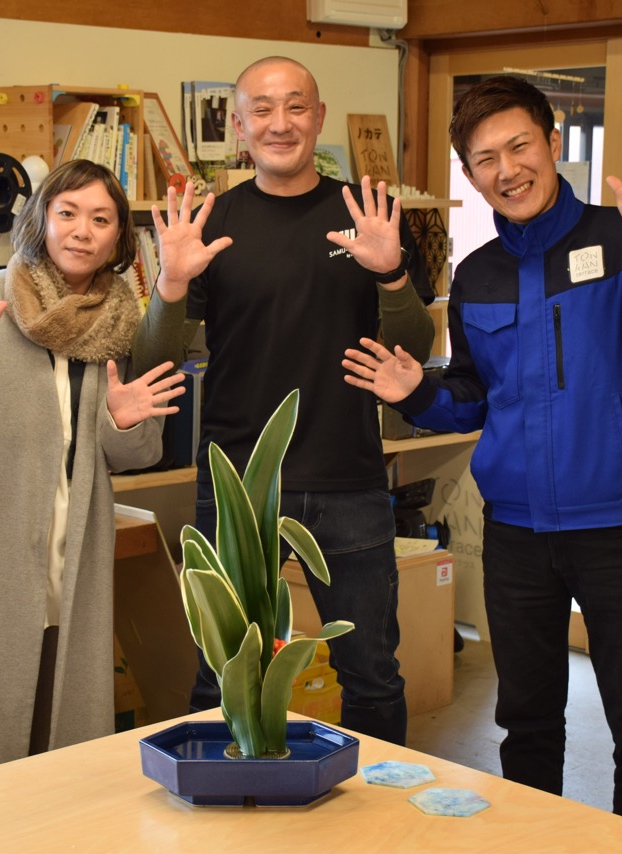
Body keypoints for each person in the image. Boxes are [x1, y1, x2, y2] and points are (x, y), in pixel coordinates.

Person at [342, 75, 622, 830]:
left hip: (616, 529)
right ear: (470, 172)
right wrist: (414, 393)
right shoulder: (477, 272)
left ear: (553, 143)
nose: (506, 169)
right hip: (517, 536)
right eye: (485, 158)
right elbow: (474, 393)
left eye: (520, 145)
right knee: (526, 727)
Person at [133, 56, 436, 747]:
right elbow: (151, 363)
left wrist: (390, 273)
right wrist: (171, 284)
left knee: (372, 674)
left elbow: (415, 343)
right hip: (240, 486)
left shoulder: (365, 215)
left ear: (319, 118)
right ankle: (222, 810)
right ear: (239, 126)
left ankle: (374, 822)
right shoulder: (216, 221)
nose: (280, 123)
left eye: (296, 107)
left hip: (350, 480)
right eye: (262, 109)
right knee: (221, 674)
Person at [0, 159, 185, 779]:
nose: (82, 230)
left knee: (62, 718)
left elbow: (137, 456)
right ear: (42, 220)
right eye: (68, 213)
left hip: (73, 547)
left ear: (118, 239)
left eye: (101, 218)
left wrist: (128, 421)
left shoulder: (123, 324)